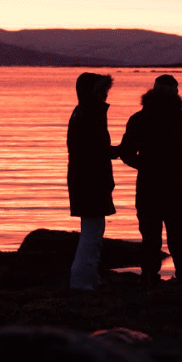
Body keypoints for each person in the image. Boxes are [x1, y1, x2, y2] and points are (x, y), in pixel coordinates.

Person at [118, 73, 182, 281]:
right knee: (180, 237)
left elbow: (126, 153)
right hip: (177, 187)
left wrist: (145, 165)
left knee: (150, 237)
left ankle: (149, 277)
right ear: (176, 94)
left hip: (148, 186)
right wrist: (178, 160)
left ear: (152, 92)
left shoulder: (139, 119)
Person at [66, 71, 119, 290]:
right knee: (92, 233)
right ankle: (82, 281)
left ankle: (88, 278)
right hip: (90, 181)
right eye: (102, 90)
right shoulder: (90, 114)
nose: (106, 95)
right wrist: (118, 151)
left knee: (93, 231)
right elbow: (95, 150)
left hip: (85, 180)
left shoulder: (83, 112)